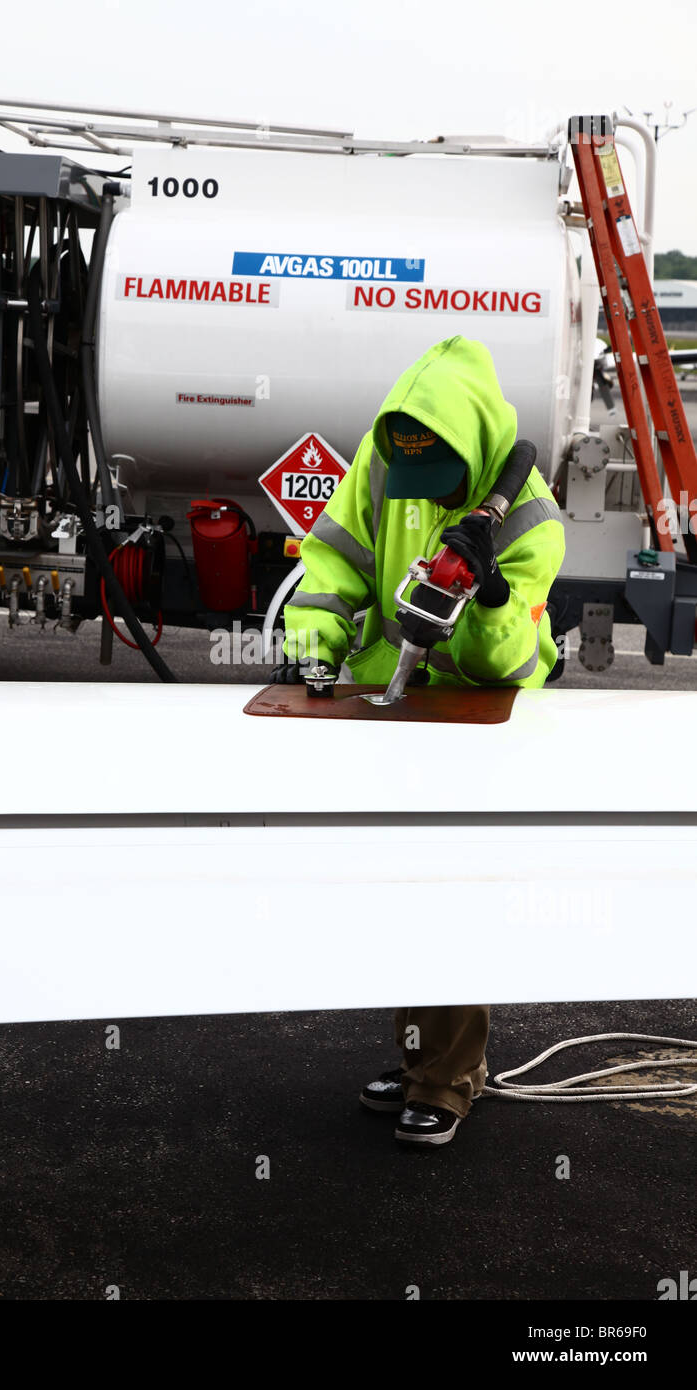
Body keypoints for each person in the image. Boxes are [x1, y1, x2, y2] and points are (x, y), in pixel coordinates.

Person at [276, 335, 566, 1146]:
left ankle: (448, 1078)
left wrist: (494, 593)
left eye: (437, 484)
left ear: (469, 452)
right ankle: (418, 1060)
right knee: (401, 886)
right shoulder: (383, 456)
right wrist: (316, 640)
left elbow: (503, 662)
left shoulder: (532, 515)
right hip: (392, 703)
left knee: (453, 890)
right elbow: (333, 558)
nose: (419, 495)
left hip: (478, 718)